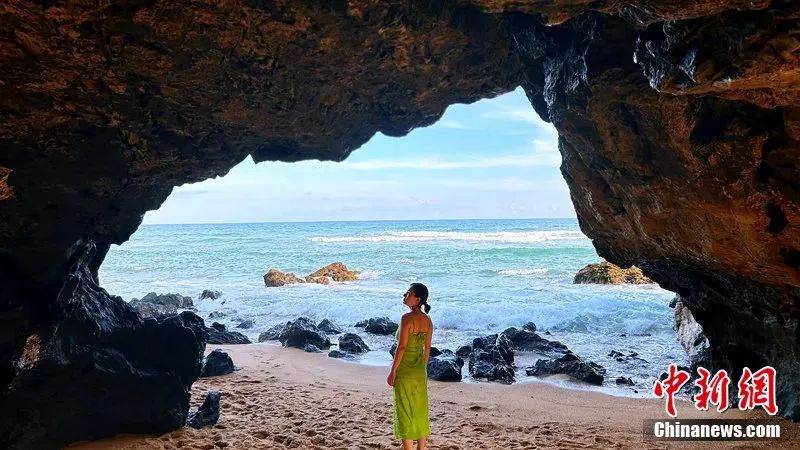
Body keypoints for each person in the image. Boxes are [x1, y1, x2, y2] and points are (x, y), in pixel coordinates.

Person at [387, 282, 433, 450]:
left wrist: (393, 371)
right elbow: (427, 349)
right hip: (419, 371)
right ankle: (421, 448)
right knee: (420, 409)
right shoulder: (428, 320)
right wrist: (422, 368)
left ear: (417, 299)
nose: (405, 295)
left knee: (405, 410)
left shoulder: (406, 318)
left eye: (409, 293)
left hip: (405, 370)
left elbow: (402, 347)